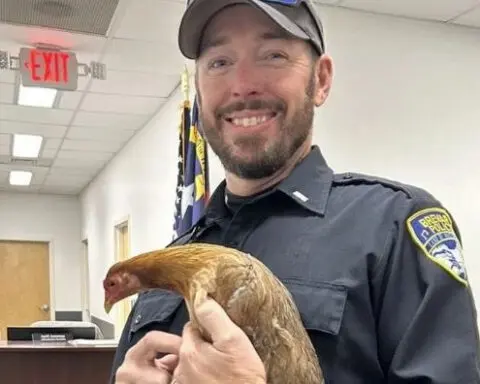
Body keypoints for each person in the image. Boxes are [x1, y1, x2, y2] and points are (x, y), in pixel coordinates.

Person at [112, 0, 480, 383]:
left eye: (273, 55)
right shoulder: (174, 260)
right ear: (200, 93)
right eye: (219, 62)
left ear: (320, 80)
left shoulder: (393, 228)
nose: (242, 85)